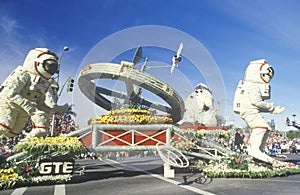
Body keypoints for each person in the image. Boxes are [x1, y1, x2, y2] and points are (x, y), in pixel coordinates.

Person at [0, 48, 73, 138]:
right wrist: (27, 105)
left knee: (13, 133)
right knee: (4, 126)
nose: (51, 70)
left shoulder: (44, 84)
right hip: (9, 105)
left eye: (54, 67)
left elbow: (40, 104)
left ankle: (23, 147)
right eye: (49, 66)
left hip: (23, 111)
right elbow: (9, 94)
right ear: (38, 62)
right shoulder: (23, 74)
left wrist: (58, 110)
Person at [233, 59, 286, 166]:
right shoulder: (252, 86)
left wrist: (272, 110)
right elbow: (256, 102)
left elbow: (256, 105)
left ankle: (259, 150)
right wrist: (271, 108)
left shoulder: (252, 85)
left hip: (250, 109)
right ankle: (255, 149)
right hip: (248, 111)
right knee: (261, 126)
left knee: (266, 128)